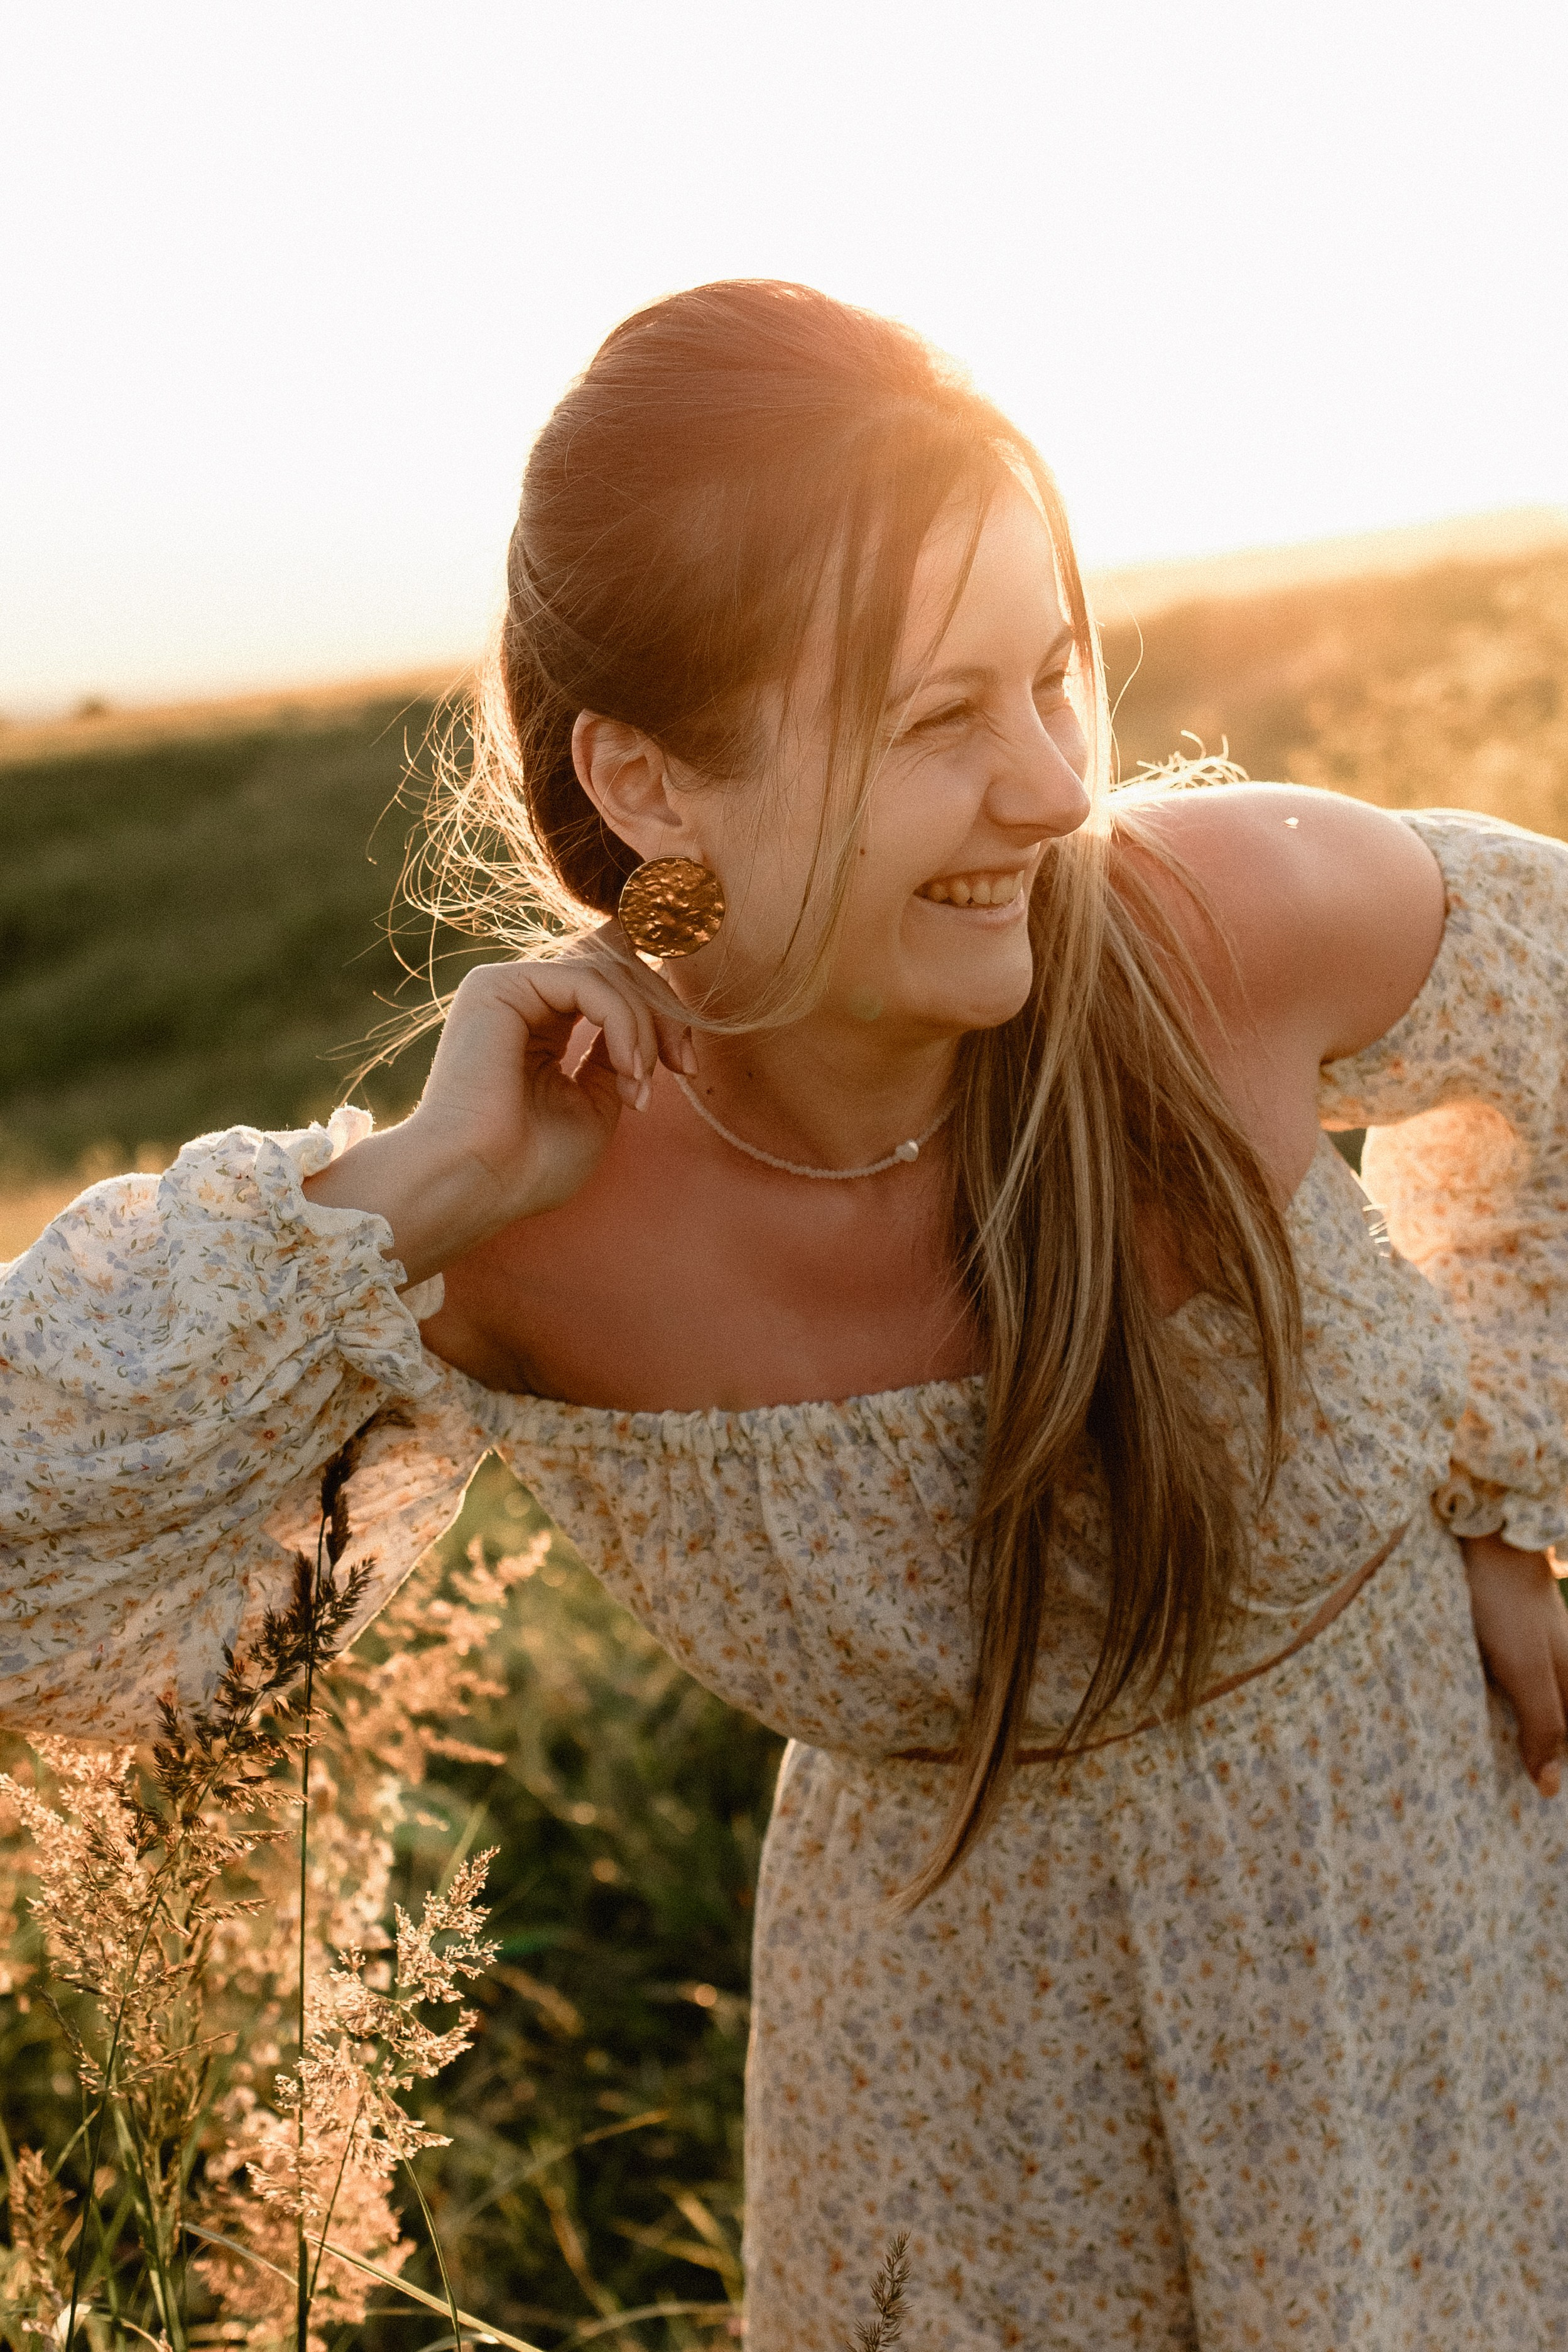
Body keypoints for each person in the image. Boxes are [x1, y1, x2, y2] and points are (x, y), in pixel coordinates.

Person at [4, 280, 1567, 2351]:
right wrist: (395, 1202)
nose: (1041, 790)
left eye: (1057, 678)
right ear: (649, 784)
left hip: (1432, 1938)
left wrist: (1502, 1495)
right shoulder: (525, 1239)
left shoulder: (1215, 940)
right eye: (938, 720)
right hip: (974, 2128)